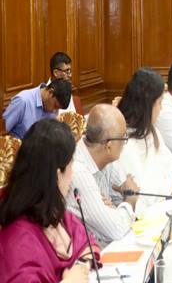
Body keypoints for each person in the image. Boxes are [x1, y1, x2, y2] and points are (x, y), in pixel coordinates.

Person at [0, 119, 100, 282]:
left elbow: (85, 242)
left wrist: (81, 267)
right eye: (71, 165)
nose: (72, 174)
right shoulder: (18, 238)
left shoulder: (51, 209)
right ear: (57, 175)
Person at [117, 68, 172, 215]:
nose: (161, 108)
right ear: (146, 105)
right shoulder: (123, 142)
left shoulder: (150, 130)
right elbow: (144, 193)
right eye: (159, 103)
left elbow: (170, 163)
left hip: (165, 203)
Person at [65, 104, 138, 248]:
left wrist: (114, 209)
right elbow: (116, 228)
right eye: (123, 138)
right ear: (109, 145)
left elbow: (123, 200)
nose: (125, 143)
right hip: (88, 254)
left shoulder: (105, 157)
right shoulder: (78, 171)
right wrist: (130, 200)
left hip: (108, 245)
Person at [3, 78, 72, 139]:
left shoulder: (53, 106)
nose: (55, 111)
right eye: (55, 106)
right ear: (50, 92)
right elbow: (2, 132)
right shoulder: (22, 101)